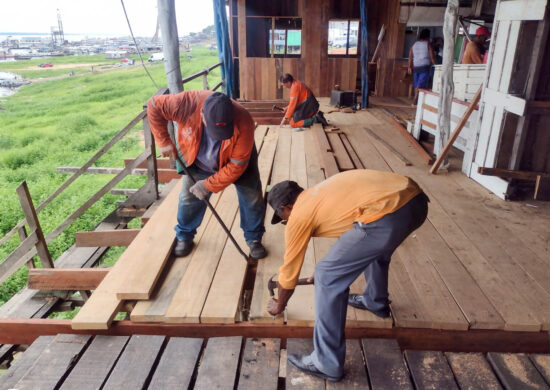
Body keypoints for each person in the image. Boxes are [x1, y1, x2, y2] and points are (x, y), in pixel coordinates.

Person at [266, 170, 429, 381]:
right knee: (375, 248)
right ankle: (374, 301)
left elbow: (288, 273)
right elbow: (352, 229)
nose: (286, 222)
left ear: (285, 208)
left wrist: (279, 304)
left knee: (326, 276)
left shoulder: (299, 215)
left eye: (282, 219)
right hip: (415, 202)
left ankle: (326, 362)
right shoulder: (321, 192)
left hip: (386, 215)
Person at [147, 91, 267, 259]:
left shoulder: (244, 121)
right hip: (198, 158)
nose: (218, 137)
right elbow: (153, 105)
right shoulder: (184, 104)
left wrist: (207, 185)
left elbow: (237, 166)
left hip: (235, 158)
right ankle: (185, 236)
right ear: (201, 114)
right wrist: (163, 140)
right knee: (188, 198)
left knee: (252, 196)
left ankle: (254, 238)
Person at [408, 29, 436, 105]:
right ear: (428, 36)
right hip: (424, 67)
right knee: (420, 85)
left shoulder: (414, 45)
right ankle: (415, 100)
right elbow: (432, 57)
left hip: (416, 67)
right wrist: (436, 65)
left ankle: (416, 101)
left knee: (416, 83)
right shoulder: (428, 44)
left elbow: (410, 57)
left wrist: (409, 67)